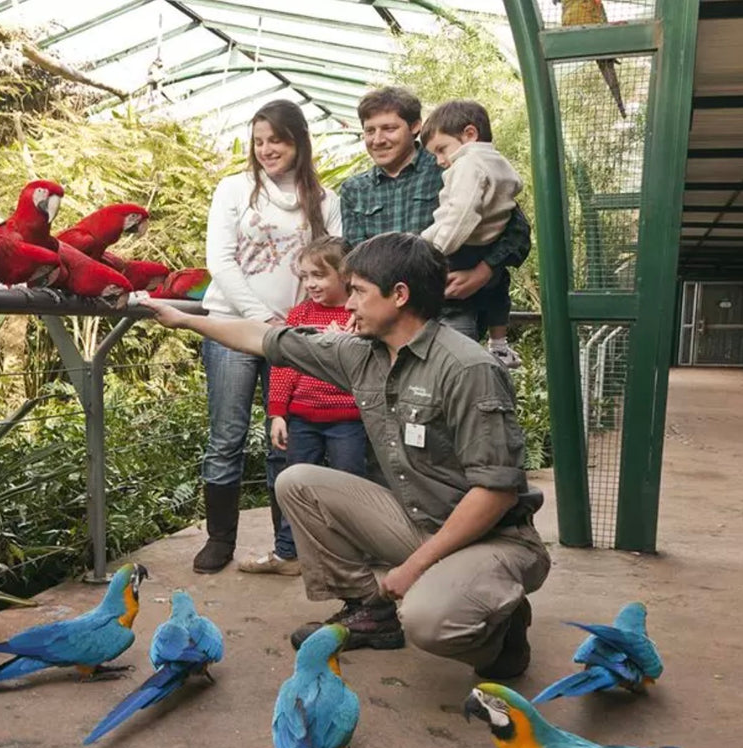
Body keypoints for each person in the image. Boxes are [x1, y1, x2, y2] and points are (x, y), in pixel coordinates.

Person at [141, 232, 550, 680]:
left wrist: (413, 569)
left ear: (399, 295)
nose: (348, 303)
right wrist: (180, 319)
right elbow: (263, 338)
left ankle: (502, 633)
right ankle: (370, 611)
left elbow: (494, 494)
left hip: (494, 539)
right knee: (297, 482)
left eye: (357, 290)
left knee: (429, 621)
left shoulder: (467, 369)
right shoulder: (362, 356)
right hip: (422, 521)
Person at [192, 99, 343, 575]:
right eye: (259, 141)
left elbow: (337, 265)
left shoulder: (325, 200)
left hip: (296, 336)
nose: (266, 150)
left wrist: (296, 325)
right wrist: (265, 320)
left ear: (297, 141)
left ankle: (289, 544)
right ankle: (220, 539)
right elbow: (221, 261)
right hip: (233, 327)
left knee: (287, 437)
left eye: (276, 140)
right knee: (227, 435)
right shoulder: (234, 189)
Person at [338, 86, 530, 368]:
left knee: (455, 391)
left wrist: (483, 271)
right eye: (370, 130)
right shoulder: (355, 189)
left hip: (450, 311)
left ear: (415, 126)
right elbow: (354, 257)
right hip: (386, 320)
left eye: (389, 128)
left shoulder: (453, 163)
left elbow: (517, 230)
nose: (377, 139)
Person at [251, 236, 369, 573]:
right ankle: (289, 553)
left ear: (345, 275)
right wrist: (277, 413)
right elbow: (285, 365)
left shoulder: (359, 315)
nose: (310, 284)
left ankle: (350, 553)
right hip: (303, 418)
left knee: (349, 484)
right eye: (305, 276)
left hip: (348, 418)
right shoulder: (300, 314)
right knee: (294, 486)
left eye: (318, 275)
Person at [419, 99, 525, 370]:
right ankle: (499, 346)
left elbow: (460, 216)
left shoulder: (468, 165)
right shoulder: (498, 163)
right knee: (499, 292)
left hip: (460, 255)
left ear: (469, 134)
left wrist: (433, 249)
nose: (441, 161)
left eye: (442, 150)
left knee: (458, 367)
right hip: (481, 249)